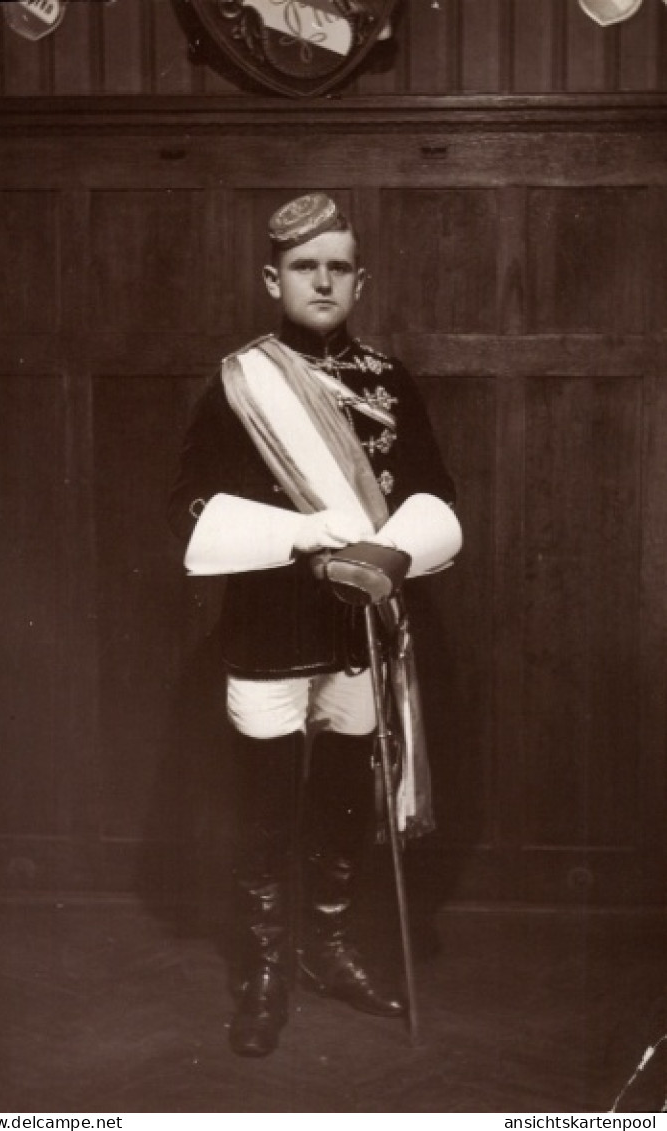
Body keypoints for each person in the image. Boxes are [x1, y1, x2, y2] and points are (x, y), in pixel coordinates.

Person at [168, 193, 461, 1058]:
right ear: (274, 280)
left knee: (342, 794)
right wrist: (300, 535)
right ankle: (265, 965)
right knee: (264, 801)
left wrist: (394, 553)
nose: (323, 281)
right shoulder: (240, 383)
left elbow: (435, 493)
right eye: (305, 267)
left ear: (360, 280)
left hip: (361, 629)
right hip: (268, 628)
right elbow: (189, 504)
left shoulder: (390, 378)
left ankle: (326, 947)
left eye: (339, 267)